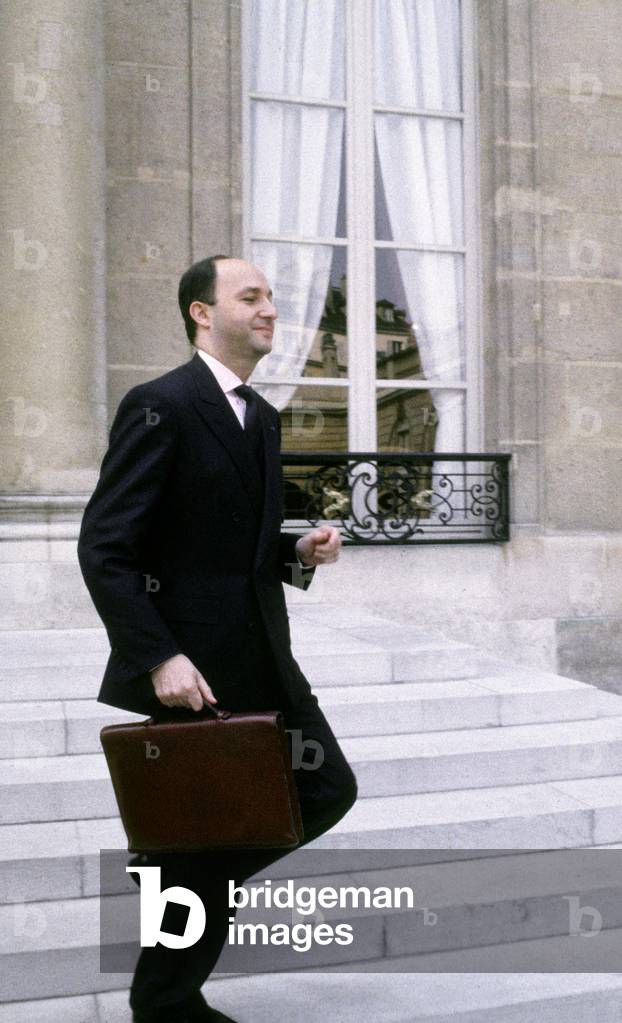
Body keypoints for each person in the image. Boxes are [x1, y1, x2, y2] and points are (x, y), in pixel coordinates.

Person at [77, 255, 358, 1023]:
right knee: (203, 838)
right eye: (252, 296)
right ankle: (166, 997)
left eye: (271, 296)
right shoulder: (158, 404)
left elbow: (231, 545)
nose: (271, 308)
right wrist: (158, 655)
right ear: (203, 313)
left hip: (265, 655)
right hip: (191, 670)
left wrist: (294, 551)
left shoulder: (260, 416)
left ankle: (169, 883)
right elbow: (105, 546)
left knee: (326, 788)